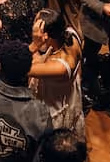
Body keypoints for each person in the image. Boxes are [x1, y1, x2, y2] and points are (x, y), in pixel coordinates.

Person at [28, 7, 85, 137]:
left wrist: (34, 44)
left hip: (51, 111)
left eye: (36, 25)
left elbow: (19, 66)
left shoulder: (60, 67)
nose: (33, 27)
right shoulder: (70, 34)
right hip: (67, 94)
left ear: (45, 36)